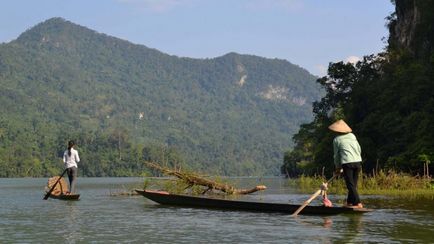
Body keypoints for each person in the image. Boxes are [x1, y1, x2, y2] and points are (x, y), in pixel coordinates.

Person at [328, 120, 363, 208]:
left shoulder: (336, 140)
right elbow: (359, 148)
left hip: (347, 163)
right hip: (358, 161)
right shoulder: (352, 135)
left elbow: (336, 156)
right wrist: (357, 157)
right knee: (353, 184)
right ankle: (350, 202)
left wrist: (337, 167)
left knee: (350, 185)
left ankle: (358, 203)